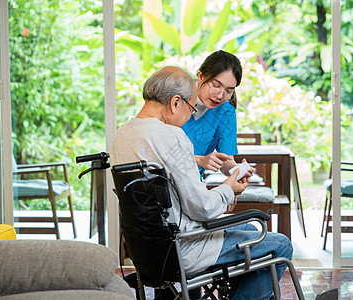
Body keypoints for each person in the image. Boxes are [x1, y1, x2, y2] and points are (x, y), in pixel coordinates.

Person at [110, 66, 292, 299]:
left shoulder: (122, 134)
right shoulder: (171, 135)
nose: (190, 115)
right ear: (176, 102)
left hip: (149, 253)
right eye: (191, 107)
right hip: (186, 247)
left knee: (247, 229)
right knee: (281, 244)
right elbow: (202, 208)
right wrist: (229, 189)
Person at [181, 50, 244, 179]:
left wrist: (237, 173)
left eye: (228, 91)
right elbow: (158, 155)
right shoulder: (177, 99)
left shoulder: (226, 111)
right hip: (162, 181)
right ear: (200, 76)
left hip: (193, 183)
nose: (220, 96)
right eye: (216, 85)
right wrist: (199, 160)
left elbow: (225, 160)